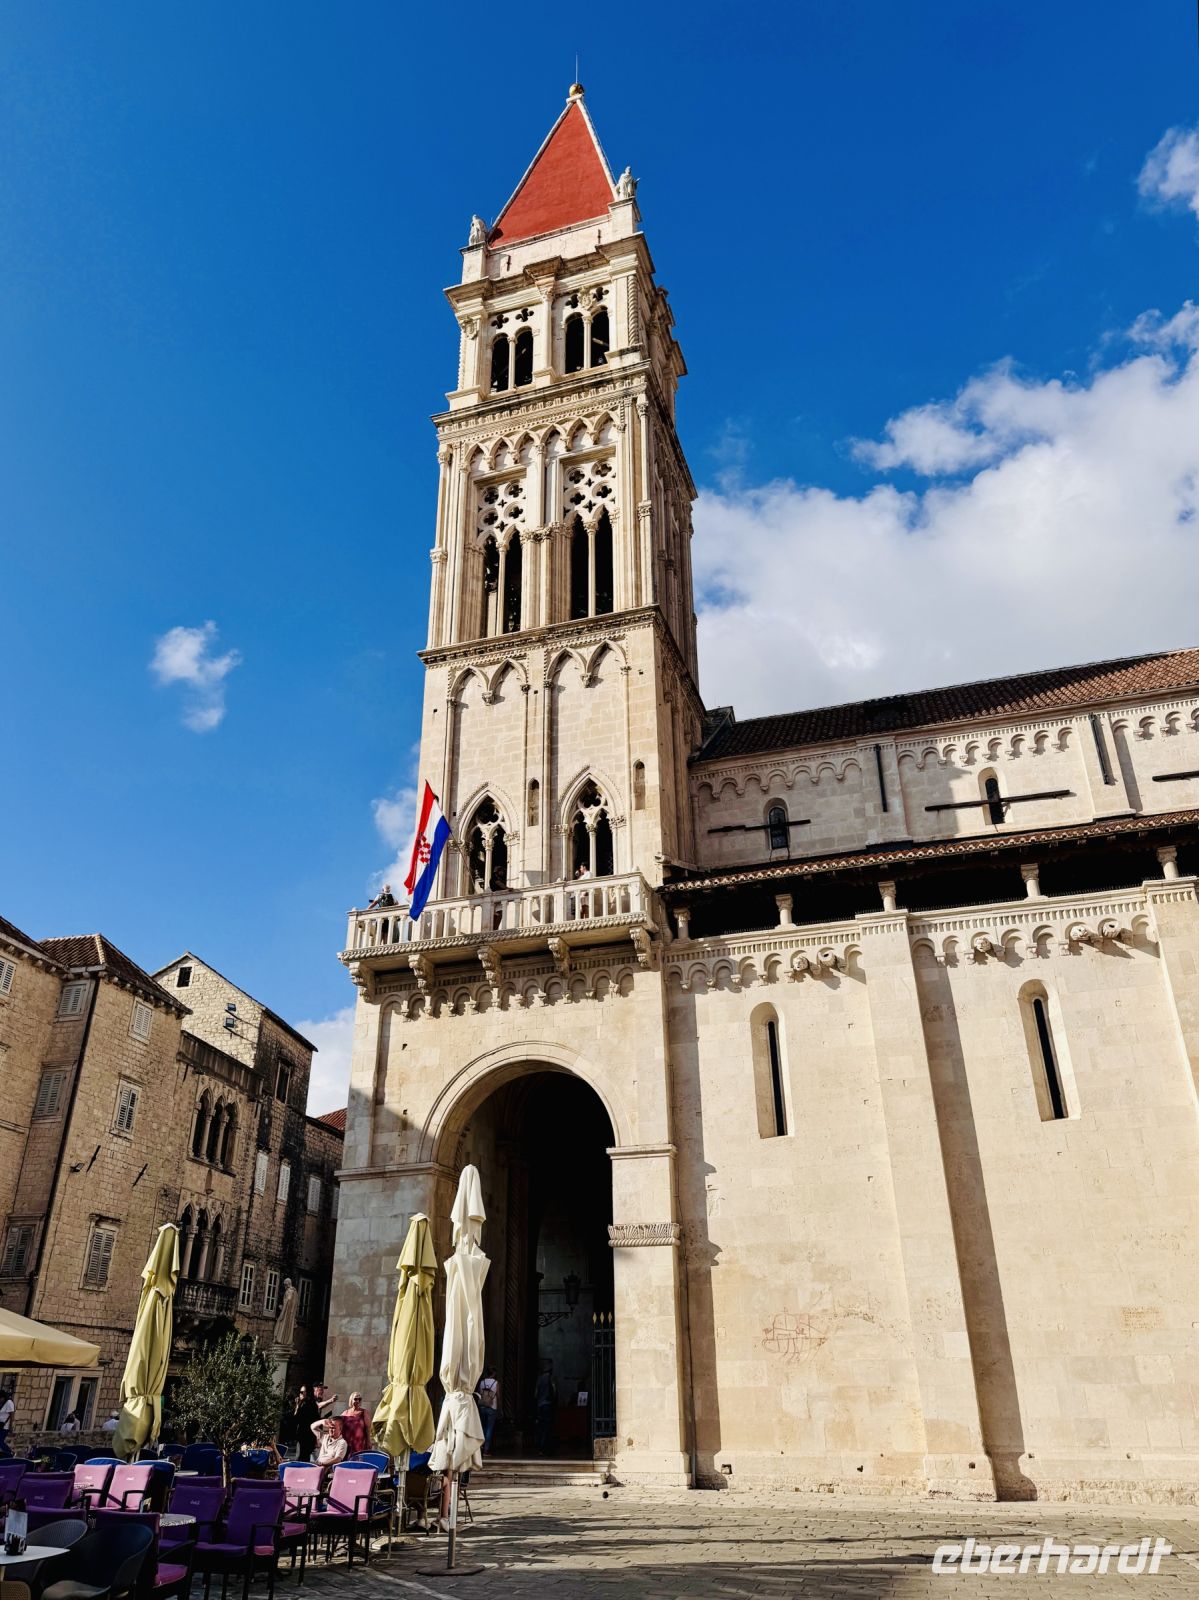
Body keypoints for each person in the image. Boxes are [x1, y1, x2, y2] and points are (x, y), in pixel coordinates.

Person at [534, 1361, 557, 1456]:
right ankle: (544, 1448)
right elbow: (554, 1391)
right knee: (547, 1427)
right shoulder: (550, 1379)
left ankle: (539, 1447)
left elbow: (535, 1393)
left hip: (540, 1405)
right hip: (547, 1404)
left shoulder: (539, 1379)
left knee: (540, 1426)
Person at [292, 1385, 320, 1462]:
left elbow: (296, 1418)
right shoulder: (312, 1403)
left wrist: (297, 1405)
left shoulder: (305, 1404)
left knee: (300, 1458)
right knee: (305, 1458)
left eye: (302, 1392)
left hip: (304, 1435)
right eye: (300, 1392)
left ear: (307, 1393)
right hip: (309, 1435)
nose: (300, 1394)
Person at [475, 1368, 499, 1455]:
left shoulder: (482, 1382)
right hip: (492, 1407)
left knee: (483, 1427)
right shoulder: (495, 1383)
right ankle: (486, 1449)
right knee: (489, 1429)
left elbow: (479, 1393)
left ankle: (480, 1447)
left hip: (482, 1406)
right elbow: (498, 1395)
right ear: (493, 1374)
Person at [339, 1393, 369, 1457]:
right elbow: (338, 1425)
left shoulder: (364, 1412)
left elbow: (368, 1428)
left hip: (359, 1443)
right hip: (347, 1441)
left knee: (358, 1460)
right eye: (355, 1399)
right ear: (351, 1400)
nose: (357, 1401)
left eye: (359, 1399)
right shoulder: (345, 1413)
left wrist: (368, 1441)